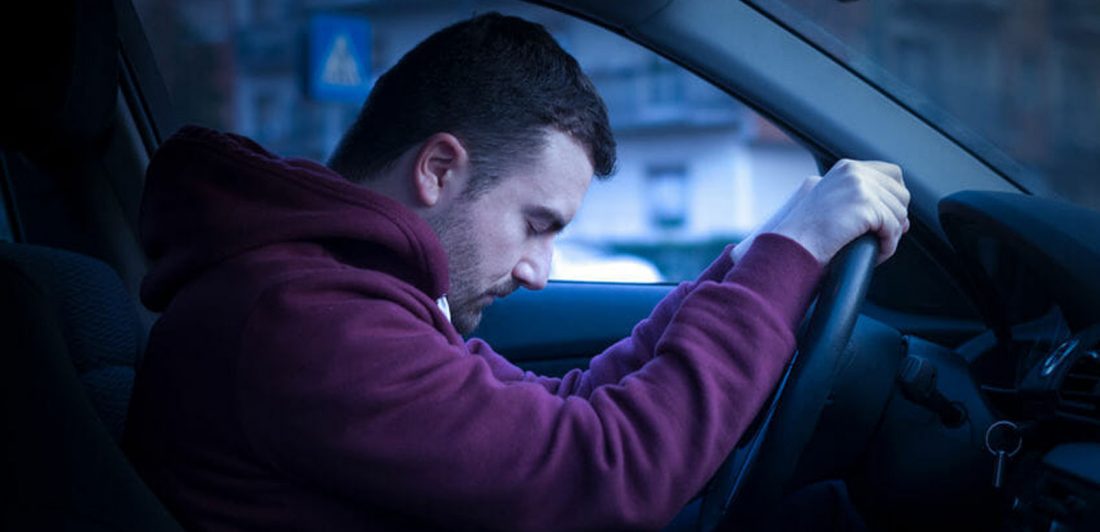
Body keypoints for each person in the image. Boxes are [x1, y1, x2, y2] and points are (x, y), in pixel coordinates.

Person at [123, 12, 910, 531]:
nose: (539, 271)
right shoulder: (303, 320)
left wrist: (746, 267)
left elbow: (556, 409)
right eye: (536, 225)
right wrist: (792, 255)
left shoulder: (346, 291)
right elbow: (603, 471)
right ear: (438, 169)